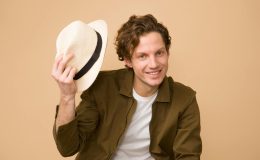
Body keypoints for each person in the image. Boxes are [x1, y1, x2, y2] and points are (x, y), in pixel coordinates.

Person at [51, 14, 202, 160]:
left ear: (167, 53)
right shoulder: (102, 87)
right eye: (143, 56)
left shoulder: (185, 99)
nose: (154, 64)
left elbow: (188, 156)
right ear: (128, 61)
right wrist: (67, 97)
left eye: (159, 53)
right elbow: (67, 147)